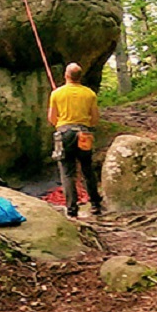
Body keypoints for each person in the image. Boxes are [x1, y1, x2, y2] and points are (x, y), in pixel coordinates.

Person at [48, 62, 104, 218]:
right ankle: (95, 205)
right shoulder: (89, 94)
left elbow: (52, 119)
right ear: (81, 76)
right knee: (87, 169)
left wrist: (62, 121)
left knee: (67, 172)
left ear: (66, 75)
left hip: (65, 133)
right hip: (84, 133)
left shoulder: (57, 94)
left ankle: (72, 209)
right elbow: (94, 119)